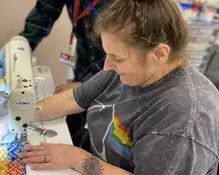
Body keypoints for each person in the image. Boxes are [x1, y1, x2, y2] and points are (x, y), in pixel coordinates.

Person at [16, 0, 219, 174]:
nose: (107, 67)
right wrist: (21, 112)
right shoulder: (123, 72)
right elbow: (73, 99)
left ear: (159, 54)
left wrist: (76, 157)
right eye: (108, 55)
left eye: (117, 58)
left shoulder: (182, 122)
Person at [0, 0, 110, 145]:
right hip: (87, 62)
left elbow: (121, 59)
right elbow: (41, 17)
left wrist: (86, 85)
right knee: (75, 114)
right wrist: (13, 50)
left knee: (96, 127)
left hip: (113, 73)